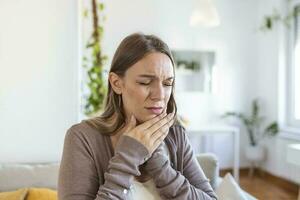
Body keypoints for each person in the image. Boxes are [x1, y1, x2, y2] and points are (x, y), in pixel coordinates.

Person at [58, 33, 218, 200]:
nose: (160, 95)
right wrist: (127, 158)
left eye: (167, 83)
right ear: (116, 83)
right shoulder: (83, 138)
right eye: (145, 82)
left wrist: (162, 168)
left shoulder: (175, 136)